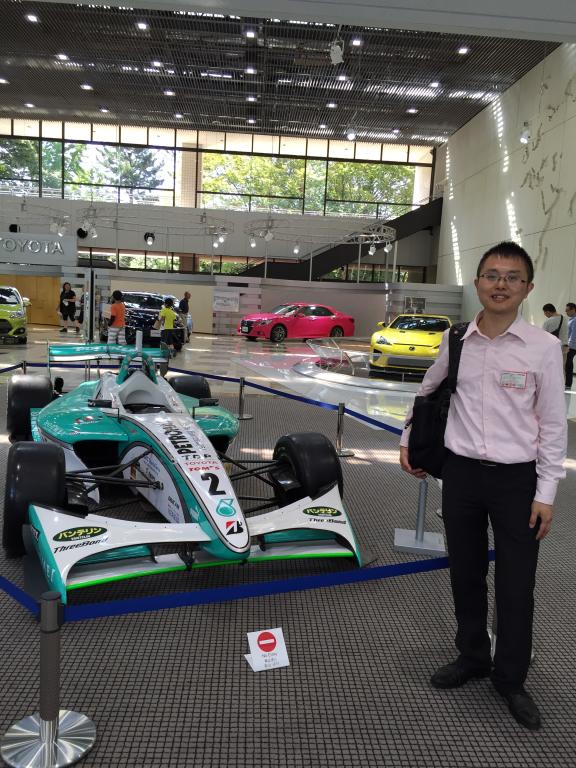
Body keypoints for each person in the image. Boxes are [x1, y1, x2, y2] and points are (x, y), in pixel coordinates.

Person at [400, 241, 567, 731]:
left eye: (512, 277)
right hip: (462, 475)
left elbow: (553, 425)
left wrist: (546, 493)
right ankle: (472, 655)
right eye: (492, 275)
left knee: (517, 585)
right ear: (477, 283)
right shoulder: (456, 340)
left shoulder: (543, 348)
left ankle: (511, 678)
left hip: (518, 481)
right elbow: (428, 391)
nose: (501, 284)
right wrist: (409, 440)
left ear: (527, 288)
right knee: (466, 572)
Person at [565, 302, 576, 388]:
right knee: (568, 364)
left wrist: (569, 346)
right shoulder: (572, 319)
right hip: (572, 345)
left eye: (567, 310)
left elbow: (573, 334)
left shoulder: (575, 320)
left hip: (572, 346)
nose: (566, 312)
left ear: (573, 310)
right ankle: (568, 383)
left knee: (568, 364)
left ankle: (568, 384)